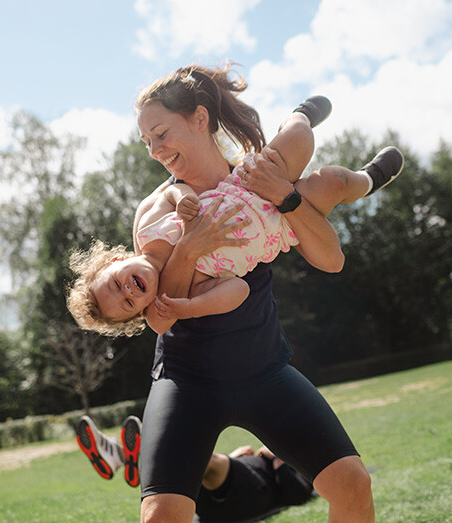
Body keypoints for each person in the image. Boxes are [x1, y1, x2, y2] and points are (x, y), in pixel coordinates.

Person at [105, 63, 387, 523]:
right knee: (161, 516)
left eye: (161, 134)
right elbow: (163, 312)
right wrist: (191, 247)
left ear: (199, 119)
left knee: (353, 484)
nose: (155, 151)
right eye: (147, 142)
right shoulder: (157, 209)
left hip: (263, 371)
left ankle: (359, 165)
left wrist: (285, 197)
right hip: (186, 380)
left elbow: (332, 259)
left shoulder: (259, 176)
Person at [66, 94, 403, 337]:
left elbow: (170, 192)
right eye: (128, 302)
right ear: (139, 311)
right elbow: (238, 290)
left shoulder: (148, 230)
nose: (128, 289)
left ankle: (300, 114)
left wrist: (184, 199)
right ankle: (369, 180)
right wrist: (190, 308)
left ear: (114, 259)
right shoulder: (183, 292)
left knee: (300, 135)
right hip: (278, 227)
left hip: (245, 188)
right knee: (334, 181)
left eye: (115, 283)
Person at [76, 415, 315, 522]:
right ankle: (119, 456)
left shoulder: (304, 466)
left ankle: (119, 455)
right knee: (186, 464)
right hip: (222, 496)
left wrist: (278, 458)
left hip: (252, 495)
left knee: (203, 458)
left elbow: (298, 494)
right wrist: (238, 458)